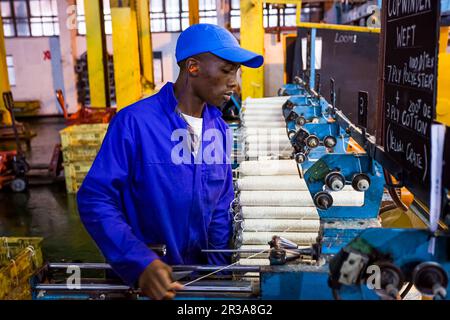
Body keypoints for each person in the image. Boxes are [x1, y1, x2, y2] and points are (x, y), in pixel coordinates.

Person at [76, 23, 263, 300]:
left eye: (237, 71)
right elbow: (95, 199)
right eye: (226, 70)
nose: (234, 82)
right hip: (142, 283)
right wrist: (140, 263)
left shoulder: (219, 130)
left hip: (197, 282)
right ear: (193, 67)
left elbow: (220, 210)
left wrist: (217, 279)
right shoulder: (135, 123)